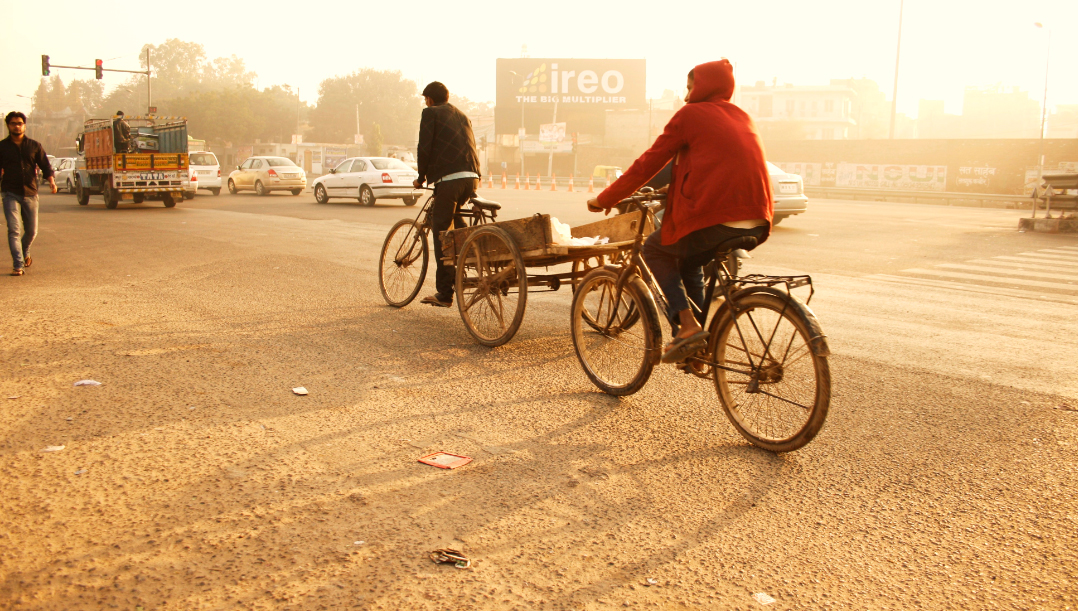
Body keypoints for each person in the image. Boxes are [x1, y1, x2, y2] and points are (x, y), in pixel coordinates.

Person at [587, 60, 773, 363]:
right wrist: (669, 190)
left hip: (718, 216)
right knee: (689, 262)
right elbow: (714, 170)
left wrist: (606, 198)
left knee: (655, 250)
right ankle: (697, 344)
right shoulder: (741, 116)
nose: (687, 96)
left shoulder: (691, 115)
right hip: (758, 217)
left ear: (703, 87)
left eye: (690, 88)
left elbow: (649, 162)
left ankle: (687, 327)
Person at [412, 81, 482, 308]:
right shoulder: (463, 115)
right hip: (471, 178)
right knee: (454, 220)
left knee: (441, 233)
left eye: (425, 100)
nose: (426, 103)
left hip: (449, 180)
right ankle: (471, 251)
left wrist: (421, 177)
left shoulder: (430, 113)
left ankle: (444, 293)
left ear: (429, 100)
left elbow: (425, 146)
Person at [1, 111, 57, 276]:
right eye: (13, 123)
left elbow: (45, 166)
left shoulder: (34, 146)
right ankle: (18, 264)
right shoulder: (2, 147)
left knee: (32, 231)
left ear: (24, 125)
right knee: (14, 229)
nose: (17, 126)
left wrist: (52, 181)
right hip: (10, 192)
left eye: (19, 123)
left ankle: (25, 250)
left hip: (30, 193)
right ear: (8, 126)